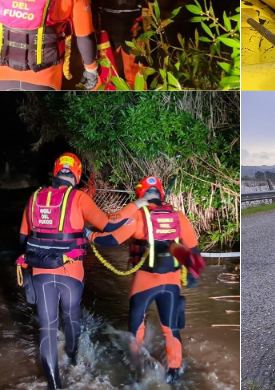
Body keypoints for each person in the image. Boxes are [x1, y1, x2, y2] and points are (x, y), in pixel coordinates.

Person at [16, 153, 140, 389]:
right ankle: (72, 359)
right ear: (77, 174)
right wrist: (138, 204)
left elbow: (23, 238)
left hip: (41, 272)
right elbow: (110, 224)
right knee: (72, 316)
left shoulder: (34, 198)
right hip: (71, 273)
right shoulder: (79, 197)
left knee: (48, 328)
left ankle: (54, 384)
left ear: (55, 172)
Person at [91, 176, 203, 383]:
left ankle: (137, 370)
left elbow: (111, 239)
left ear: (140, 195)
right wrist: (193, 275)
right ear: (161, 194)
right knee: (171, 329)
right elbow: (194, 252)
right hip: (172, 282)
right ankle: (175, 372)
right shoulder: (179, 216)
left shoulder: (139, 216)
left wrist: (89, 235)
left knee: (136, 326)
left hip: (144, 282)